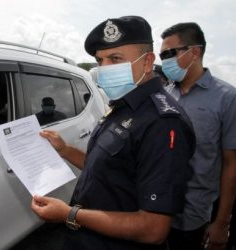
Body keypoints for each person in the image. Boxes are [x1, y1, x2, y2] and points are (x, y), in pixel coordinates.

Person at [31, 16, 195, 250]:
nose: (104, 68)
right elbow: (108, 168)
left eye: (115, 59)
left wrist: (70, 214)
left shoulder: (163, 124)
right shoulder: (122, 104)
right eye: (100, 60)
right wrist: (65, 150)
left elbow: (153, 228)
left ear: (148, 62)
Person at [160, 22, 236, 250]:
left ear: (194, 52)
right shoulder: (163, 95)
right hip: (157, 211)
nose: (164, 61)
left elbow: (231, 164)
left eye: (169, 53)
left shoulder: (226, 98)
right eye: (162, 55)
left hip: (196, 216)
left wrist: (222, 223)